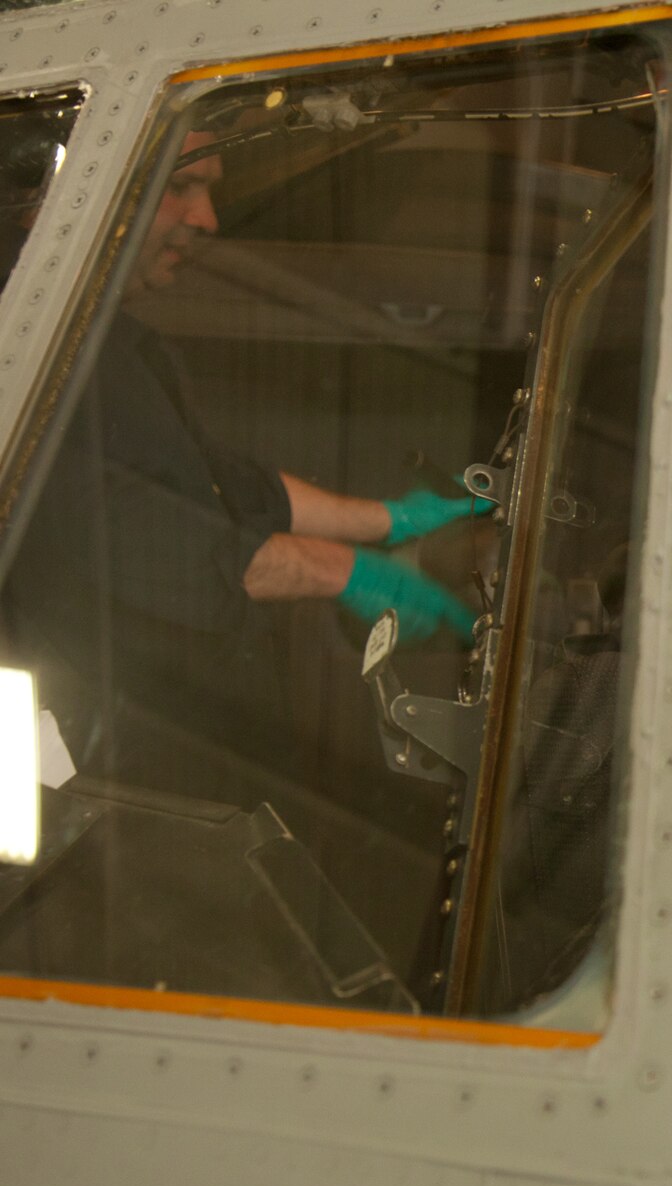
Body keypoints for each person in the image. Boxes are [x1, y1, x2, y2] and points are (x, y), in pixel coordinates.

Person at [1, 128, 485, 788]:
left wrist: (391, 521)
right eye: (181, 188)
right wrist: (347, 573)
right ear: (59, 196)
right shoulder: (16, 344)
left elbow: (211, 476)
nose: (207, 219)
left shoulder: (100, 343)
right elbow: (106, 519)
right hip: (101, 773)